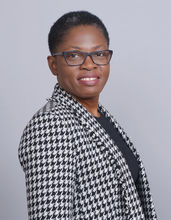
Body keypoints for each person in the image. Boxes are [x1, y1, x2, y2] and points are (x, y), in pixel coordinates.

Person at [18, 11, 157, 219]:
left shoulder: (99, 117)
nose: (89, 64)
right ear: (53, 65)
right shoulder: (50, 125)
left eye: (99, 54)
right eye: (74, 55)